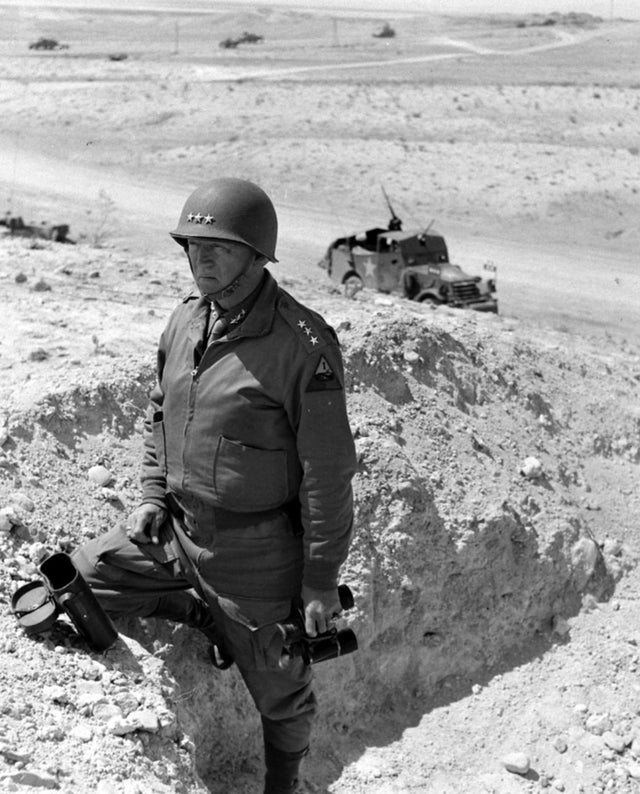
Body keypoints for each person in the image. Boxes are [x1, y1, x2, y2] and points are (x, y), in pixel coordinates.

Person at [72, 177, 357, 794]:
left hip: (254, 555)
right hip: (176, 531)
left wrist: (318, 578)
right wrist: (151, 495)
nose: (200, 260)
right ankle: (194, 609)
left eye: (217, 248)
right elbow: (160, 414)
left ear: (257, 255)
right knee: (78, 584)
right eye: (191, 247)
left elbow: (329, 474)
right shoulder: (183, 323)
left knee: (283, 698)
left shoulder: (302, 345)